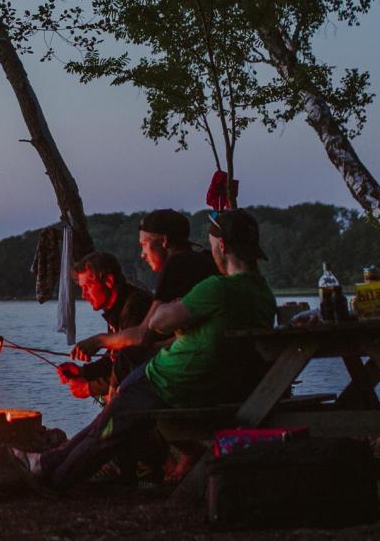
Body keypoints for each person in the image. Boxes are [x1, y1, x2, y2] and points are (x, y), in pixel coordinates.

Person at [40, 209, 277, 489]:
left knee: (107, 428)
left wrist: (172, 308)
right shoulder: (264, 295)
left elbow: (155, 324)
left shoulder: (217, 289)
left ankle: (53, 480)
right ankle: (45, 464)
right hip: (215, 388)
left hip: (168, 382)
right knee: (109, 418)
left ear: (222, 246)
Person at [69, 209, 217, 366]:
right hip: (208, 348)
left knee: (130, 357)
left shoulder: (176, 263)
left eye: (144, 245)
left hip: (201, 360)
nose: (142, 254)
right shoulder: (202, 261)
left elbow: (142, 335)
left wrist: (97, 341)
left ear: (164, 241)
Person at [55, 252, 153, 401]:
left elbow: (131, 363)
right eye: (82, 288)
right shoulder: (114, 309)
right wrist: (83, 372)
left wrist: (89, 388)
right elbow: (113, 359)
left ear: (109, 281)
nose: (83, 294)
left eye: (87, 286)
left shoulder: (135, 305)